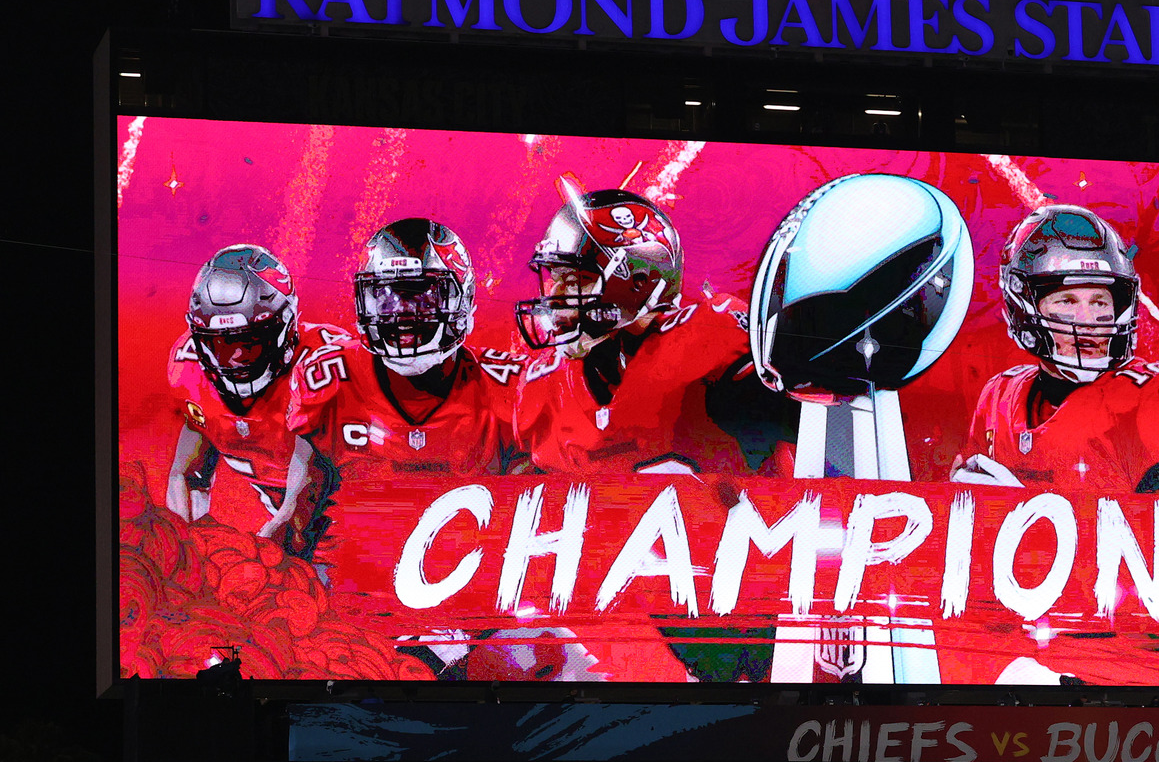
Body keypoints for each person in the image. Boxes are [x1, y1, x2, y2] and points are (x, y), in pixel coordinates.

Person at [513, 185, 796, 477]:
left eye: (573, 280)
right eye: (554, 277)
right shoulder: (544, 386)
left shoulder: (706, 341)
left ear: (637, 282)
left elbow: (807, 428)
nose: (554, 295)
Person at [273, 219, 530, 539]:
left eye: (420, 295)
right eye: (386, 296)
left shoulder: (510, 389)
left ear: (462, 300)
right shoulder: (332, 380)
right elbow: (298, 513)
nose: (401, 315)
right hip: (356, 568)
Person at [952, 205, 1159, 495]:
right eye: (1067, 302)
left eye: (1099, 302)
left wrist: (1029, 512)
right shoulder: (999, 395)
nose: (1088, 321)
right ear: (1023, 306)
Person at [164, 244, 346, 555]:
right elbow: (188, 476)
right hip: (297, 545)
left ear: (285, 328)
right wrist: (188, 553)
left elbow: (297, 518)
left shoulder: (320, 368)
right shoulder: (190, 370)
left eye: (249, 343)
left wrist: (244, 569)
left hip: (358, 540)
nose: (234, 359)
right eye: (220, 344)